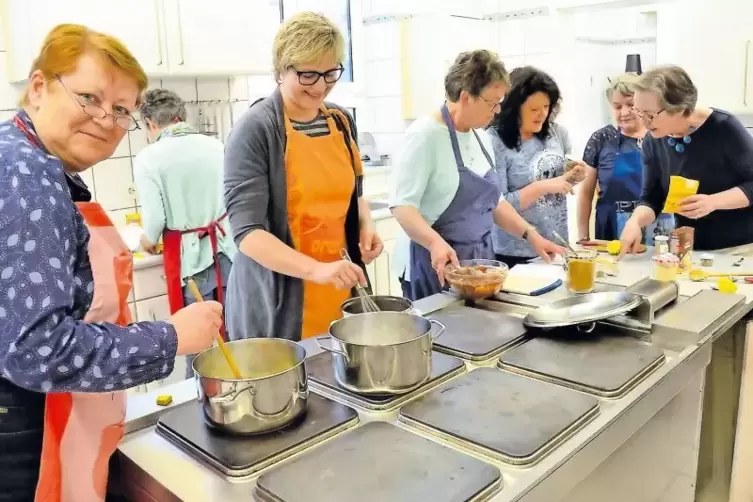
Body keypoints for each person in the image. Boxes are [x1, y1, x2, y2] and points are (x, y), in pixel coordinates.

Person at [0, 24, 222, 502]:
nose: (106, 119)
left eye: (121, 110)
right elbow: (37, 350)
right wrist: (171, 337)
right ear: (38, 88)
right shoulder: (27, 175)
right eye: (89, 97)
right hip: (23, 429)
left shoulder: (26, 156)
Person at [224, 12, 382, 341]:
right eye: (309, 74)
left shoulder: (339, 121)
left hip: (338, 285)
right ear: (281, 70)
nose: (321, 85)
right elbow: (248, 233)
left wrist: (364, 224)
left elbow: (356, 193)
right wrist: (316, 270)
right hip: (278, 298)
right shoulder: (256, 130)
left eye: (330, 73)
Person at [389, 51, 563, 300]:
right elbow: (403, 206)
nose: (497, 110)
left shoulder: (480, 136)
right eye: (492, 102)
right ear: (466, 97)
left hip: (476, 262)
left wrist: (532, 236)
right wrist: (435, 243)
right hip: (433, 263)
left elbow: (495, 203)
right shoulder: (424, 136)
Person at [134, 88, 236, 378]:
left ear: (151, 124)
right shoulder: (216, 146)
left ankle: (202, 406)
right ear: (180, 116)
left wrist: (147, 240)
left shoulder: (149, 158)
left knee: (199, 340)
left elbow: (154, 221)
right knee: (233, 333)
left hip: (192, 261)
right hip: (227, 251)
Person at [619, 65, 753, 255]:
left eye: (650, 115)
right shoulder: (654, 139)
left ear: (680, 108)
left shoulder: (725, 128)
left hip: (739, 249)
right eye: (639, 112)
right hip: (688, 248)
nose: (644, 122)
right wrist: (635, 222)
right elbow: (652, 197)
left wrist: (713, 202)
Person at [487, 66, 587, 266]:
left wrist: (574, 175)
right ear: (513, 108)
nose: (542, 114)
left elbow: (561, 181)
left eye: (547, 106)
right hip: (514, 251)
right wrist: (546, 186)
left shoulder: (556, 133)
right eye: (534, 109)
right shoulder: (494, 141)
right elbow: (498, 205)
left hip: (557, 243)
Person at [578, 73, 674, 243]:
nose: (624, 112)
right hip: (612, 227)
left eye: (630, 105)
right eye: (617, 106)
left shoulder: (663, 135)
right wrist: (583, 237)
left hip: (658, 225)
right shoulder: (601, 139)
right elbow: (586, 193)